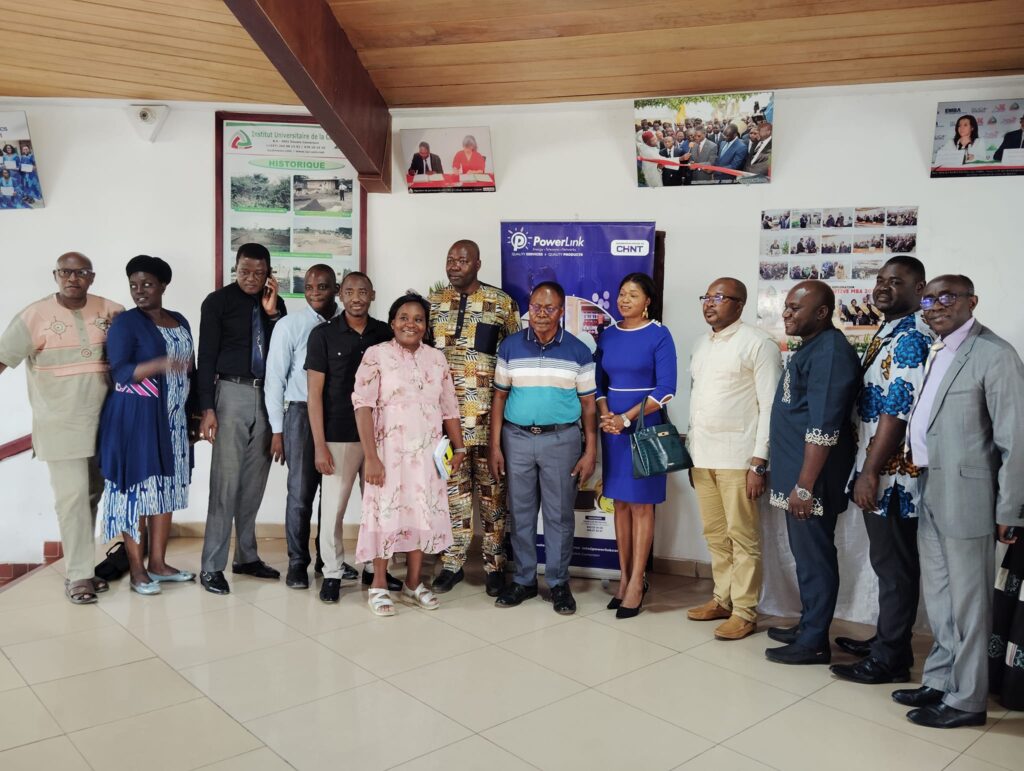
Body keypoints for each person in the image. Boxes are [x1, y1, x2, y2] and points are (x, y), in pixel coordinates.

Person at [894, 275, 1024, 729]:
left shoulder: (995, 355)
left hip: (971, 496)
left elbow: (1015, 440)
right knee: (942, 597)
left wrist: (1011, 509)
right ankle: (941, 680)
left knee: (969, 604)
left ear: (973, 301)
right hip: (932, 485)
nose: (934, 305)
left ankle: (967, 701)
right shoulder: (941, 349)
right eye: (928, 298)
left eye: (946, 297)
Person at [829, 256, 933, 684]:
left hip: (892, 473)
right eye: (881, 279)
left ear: (920, 288)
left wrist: (870, 471)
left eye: (897, 281)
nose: (884, 287)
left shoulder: (911, 337)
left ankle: (892, 658)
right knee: (887, 562)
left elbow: (898, 409)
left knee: (895, 567)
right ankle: (887, 639)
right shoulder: (891, 330)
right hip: (876, 464)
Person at [0, 253, 124, 604]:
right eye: (66, 272)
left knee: (91, 496)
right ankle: (79, 576)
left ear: (92, 276)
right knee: (71, 500)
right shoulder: (33, 316)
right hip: (60, 424)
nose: (73, 278)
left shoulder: (111, 311)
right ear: (56, 275)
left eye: (80, 272)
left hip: (105, 423)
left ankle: (83, 565)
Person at [765, 281, 860, 665]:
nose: (786, 314)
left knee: (816, 558)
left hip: (811, 480)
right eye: (786, 307)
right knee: (805, 557)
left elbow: (824, 425)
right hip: (797, 475)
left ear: (822, 313)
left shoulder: (832, 353)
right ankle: (809, 624)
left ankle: (815, 640)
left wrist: (805, 486)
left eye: (795, 308)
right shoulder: (814, 347)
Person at [352, 294, 466, 616]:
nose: (410, 324)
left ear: (426, 326)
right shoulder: (377, 355)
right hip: (387, 455)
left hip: (428, 456)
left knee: (421, 514)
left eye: (418, 319)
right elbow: (362, 406)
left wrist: (458, 448)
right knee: (384, 514)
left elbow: (449, 408)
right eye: (404, 317)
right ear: (392, 322)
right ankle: (377, 583)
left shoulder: (436, 359)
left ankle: (413, 583)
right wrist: (371, 457)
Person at [489, 282, 597, 615]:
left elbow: (590, 406)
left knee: (559, 516)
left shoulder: (579, 351)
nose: (540, 314)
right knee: (520, 514)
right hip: (516, 439)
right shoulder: (510, 347)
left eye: (549, 308)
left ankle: (558, 582)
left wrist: (590, 449)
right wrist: (495, 445)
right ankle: (523, 580)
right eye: (535, 307)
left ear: (561, 311)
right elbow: (499, 398)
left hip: (561, 440)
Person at [686, 278, 781, 639]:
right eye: (706, 297)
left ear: (739, 304)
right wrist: (692, 455)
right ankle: (721, 599)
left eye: (719, 298)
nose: (709, 304)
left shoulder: (758, 344)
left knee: (743, 537)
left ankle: (745, 610)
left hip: (739, 459)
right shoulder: (701, 345)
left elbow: (770, 406)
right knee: (715, 535)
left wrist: (759, 462)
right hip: (703, 456)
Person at [98, 256, 196, 595]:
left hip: (174, 421)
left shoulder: (179, 320)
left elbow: (190, 370)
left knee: (166, 490)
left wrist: (195, 414)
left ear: (163, 286)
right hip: (137, 420)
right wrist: (159, 363)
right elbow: (120, 372)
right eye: (134, 285)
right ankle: (138, 569)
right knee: (136, 493)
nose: (139, 291)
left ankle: (158, 563)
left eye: (148, 284)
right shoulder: (126, 323)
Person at [428, 240, 521, 595]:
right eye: (450, 259)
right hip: (445, 423)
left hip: (488, 422)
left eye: (462, 260)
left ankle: (495, 565)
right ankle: (453, 563)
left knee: (493, 494)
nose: (454, 265)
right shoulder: (434, 304)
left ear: (478, 264)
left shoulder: (501, 303)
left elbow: (515, 358)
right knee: (454, 493)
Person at [197, 243, 286, 595]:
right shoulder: (216, 302)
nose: (251, 278)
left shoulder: (275, 306)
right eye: (244, 271)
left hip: (267, 396)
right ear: (235, 268)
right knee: (225, 483)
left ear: (269, 273)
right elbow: (205, 355)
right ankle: (211, 565)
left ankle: (246, 557)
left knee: (253, 483)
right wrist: (207, 408)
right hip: (230, 394)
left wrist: (272, 312)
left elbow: (281, 353)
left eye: (258, 272)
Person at [306, 271, 397, 603]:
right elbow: (314, 395)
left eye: (363, 291)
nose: (356, 297)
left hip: (381, 436)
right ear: (340, 295)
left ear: (372, 295)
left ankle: (377, 570)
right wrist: (319, 445)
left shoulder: (386, 333)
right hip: (338, 435)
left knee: (380, 507)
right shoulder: (323, 336)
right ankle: (332, 571)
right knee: (333, 509)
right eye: (350, 291)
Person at [265, 265, 351, 590]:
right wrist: (277, 430)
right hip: (301, 414)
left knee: (332, 496)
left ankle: (327, 561)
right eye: (310, 286)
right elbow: (274, 380)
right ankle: (297, 563)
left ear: (336, 289)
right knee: (300, 493)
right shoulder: (290, 325)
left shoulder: (347, 325)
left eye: (323, 286)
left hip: (338, 415)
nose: (315, 291)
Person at [596, 274, 677, 619]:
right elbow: (598, 382)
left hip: (644, 427)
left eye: (633, 294)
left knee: (642, 506)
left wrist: (626, 418)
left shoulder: (659, 335)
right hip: (612, 429)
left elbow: (666, 389)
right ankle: (624, 577)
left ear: (648, 301)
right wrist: (605, 415)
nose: (624, 299)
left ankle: (637, 582)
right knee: (621, 505)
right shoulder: (608, 335)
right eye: (621, 293)